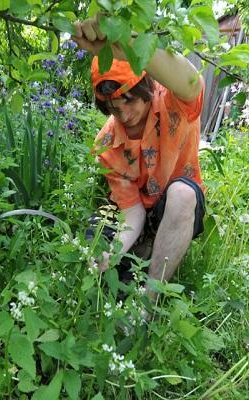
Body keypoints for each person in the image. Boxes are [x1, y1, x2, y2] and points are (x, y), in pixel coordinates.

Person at [72, 17, 206, 302]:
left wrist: (127, 46)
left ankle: (148, 302)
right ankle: (137, 256)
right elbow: (132, 210)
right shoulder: (106, 142)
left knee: (182, 194)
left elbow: (192, 82)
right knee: (95, 247)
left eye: (130, 101)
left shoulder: (174, 103)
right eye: (113, 108)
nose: (124, 115)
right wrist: (114, 249)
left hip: (174, 207)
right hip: (135, 213)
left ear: (147, 89)